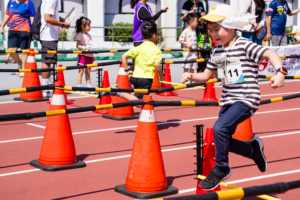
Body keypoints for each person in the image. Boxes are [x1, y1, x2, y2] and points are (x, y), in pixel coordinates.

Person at [181, 4, 287, 190]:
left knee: (219, 128)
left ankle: (222, 168)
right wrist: (191, 76)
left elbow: (270, 53)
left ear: (230, 27)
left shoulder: (244, 45)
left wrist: (280, 72)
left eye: (216, 29)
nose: (212, 34)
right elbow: (206, 76)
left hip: (246, 98)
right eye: (210, 31)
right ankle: (253, 150)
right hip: (228, 100)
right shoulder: (217, 51)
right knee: (222, 138)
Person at [108, 21, 164, 108]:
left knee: (139, 100)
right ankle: (116, 92)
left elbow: (123, 57)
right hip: (146, 79)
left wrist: (127, 70)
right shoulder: (156, 49)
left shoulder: (138, 47)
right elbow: (157, 65)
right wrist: (161, 77)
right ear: (154, 36)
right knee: (140, 103)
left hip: (136, 77)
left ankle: (117, 92)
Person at [40, 0, 70, 98]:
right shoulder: (52, 0)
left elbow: (49, 16)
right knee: (47, 61)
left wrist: (59, 19)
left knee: (47, 61)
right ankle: (46, 89)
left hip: (49, 35)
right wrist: (63, 25)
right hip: (49, 36)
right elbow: (47, 18)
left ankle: (47, 87)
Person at [0, 0, 35, 77]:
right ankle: (19, 64)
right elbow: (7, 14)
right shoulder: (11, 2)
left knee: (24, 51)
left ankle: (23, 69)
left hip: (25, 30)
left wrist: (32, 29)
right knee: (11, 50)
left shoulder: (29, 3)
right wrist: (2, 26)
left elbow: (32, 17)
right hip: (13, 30)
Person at [75, 17, 95, 94]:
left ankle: (88, 86)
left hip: (89, 56)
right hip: (82, 55)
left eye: (90, 25)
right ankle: (79, 87)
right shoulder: (80, 35)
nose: (90, 27)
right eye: (88, 25)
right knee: (81, 71)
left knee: (88, 72)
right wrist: (85, 48)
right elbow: (78, 46)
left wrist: (92, 55)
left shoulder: (89, 35)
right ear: (83, 26)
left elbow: (90, 47)